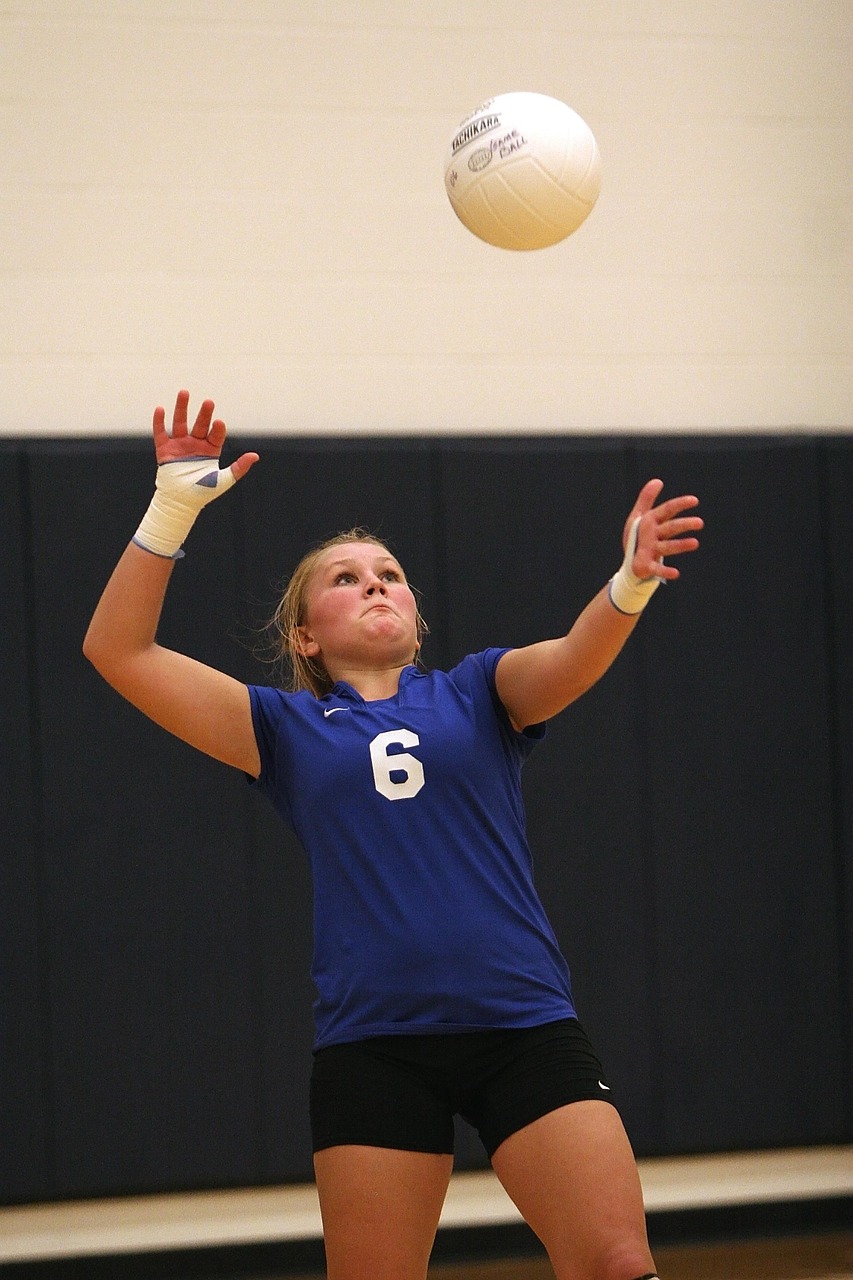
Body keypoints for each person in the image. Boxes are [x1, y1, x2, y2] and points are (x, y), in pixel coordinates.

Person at [83, 391, 702, 1280]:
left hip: (522, 1025)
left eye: (389, 572)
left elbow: (575, 656)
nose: (375, 582)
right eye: (345, 577)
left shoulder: (477, 692)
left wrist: (628, 583)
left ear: (415, 614)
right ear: (304, 636)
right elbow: (119, 651)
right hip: (374, 1045)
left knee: (613, 1263)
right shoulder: (283, 729)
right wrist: (171, 509)